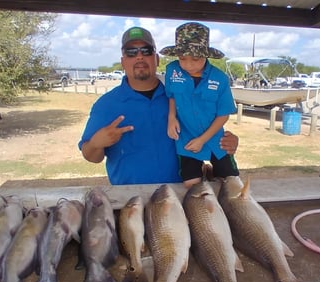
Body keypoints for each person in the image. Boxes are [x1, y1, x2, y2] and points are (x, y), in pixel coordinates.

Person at [78, 26, 238, 185]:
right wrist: (95, 144)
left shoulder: (181, 96)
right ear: (123, 62)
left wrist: (227, 142)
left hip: (181, 199)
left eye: (146, 50)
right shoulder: (106, 105)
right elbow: (91, 156)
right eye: (131, 52)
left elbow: (211, 121)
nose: (139, 57)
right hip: (131, 200)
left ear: (157, 59)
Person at [160, 22, 239, 188]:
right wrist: (171, 117)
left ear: (206, 56)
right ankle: (202, 172)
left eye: (195, 59)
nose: (188, 64)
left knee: (231, 183)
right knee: (191, 186)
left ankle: (210, 173)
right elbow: (172, 95)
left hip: (215, 139)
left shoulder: (220, 79)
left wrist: (203, 139)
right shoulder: (171, 71)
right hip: (186, 137)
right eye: (182, 58)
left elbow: (224, 114)